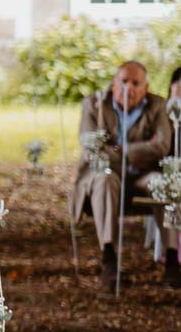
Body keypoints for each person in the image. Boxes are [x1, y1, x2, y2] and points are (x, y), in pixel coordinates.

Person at [71, 61, 174, 291]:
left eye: (136, 83)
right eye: (124, 82)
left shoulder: (157, 106)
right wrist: (138, 149)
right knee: (104, 179)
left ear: (146, 88)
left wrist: (121, 149)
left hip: (143, 175)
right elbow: (92, 148)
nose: (129, 88)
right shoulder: (94, 104)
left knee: (166, 185)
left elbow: (162, 146)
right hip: (106, 175)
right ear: (113, 84)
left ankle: (172, 258)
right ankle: (109, 258)